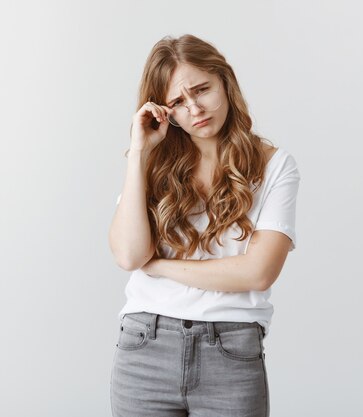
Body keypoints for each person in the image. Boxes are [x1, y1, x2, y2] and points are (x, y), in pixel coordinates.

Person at [108, 34, 300, 417]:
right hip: (145, 347)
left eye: (202, 89)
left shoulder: (274, 166)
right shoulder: (154, 165)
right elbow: (130, 254)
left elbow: (258, 272)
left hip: (230, 351)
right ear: (164, 111)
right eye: (177, 102)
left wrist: (160, 266)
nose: (194, 108)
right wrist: (139, 155)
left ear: (224, 81)